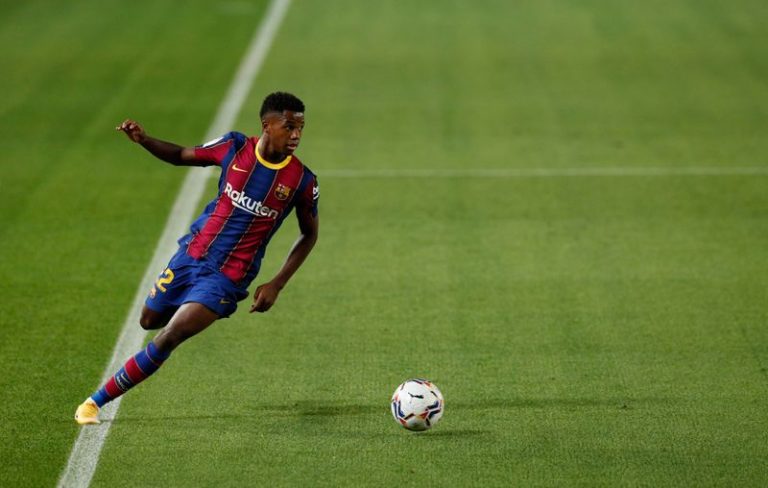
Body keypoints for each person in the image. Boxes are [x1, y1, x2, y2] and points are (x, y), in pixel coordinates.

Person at [75, 92, 319, 424]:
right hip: (191, 254)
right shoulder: (233, 148)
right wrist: (144, 140)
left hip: (228, 277)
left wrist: (277, 283)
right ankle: (191, 305)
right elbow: (180, 154)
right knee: (149, 321)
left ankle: (93, 402)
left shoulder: (302, 181)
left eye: (301, 128)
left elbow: (309, 234)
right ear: (267, 125)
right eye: (289, 126)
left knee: (170, 336)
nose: (296, 135)